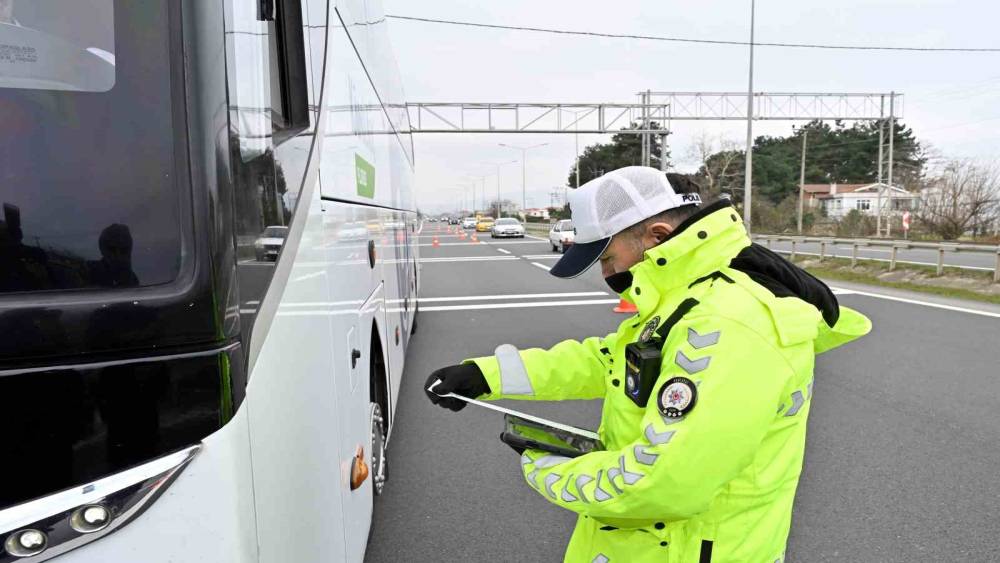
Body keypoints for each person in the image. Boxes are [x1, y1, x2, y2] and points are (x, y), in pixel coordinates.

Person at [425, 166, 871, 562]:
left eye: (606, 257)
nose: (606, 275)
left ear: (657, 236)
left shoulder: (730, 322)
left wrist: (545, 468)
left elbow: (659, 483)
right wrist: (487, 375)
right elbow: (610, 362)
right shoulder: (686, 298)